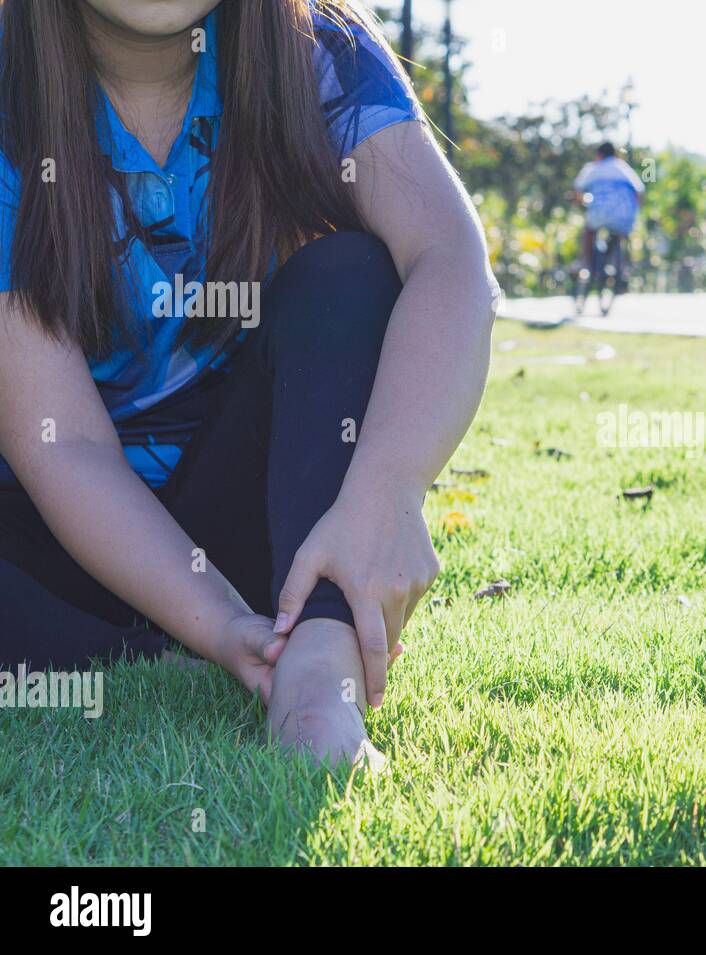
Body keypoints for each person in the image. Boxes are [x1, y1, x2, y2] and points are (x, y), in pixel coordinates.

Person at [0, 0, 498, 766]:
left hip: (242, 509)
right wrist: (221, 626)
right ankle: (147, 645)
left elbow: (450, 258)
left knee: (350, 274)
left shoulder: (318, 46)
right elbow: (62, 444)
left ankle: (316, 671)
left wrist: (388, 490)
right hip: (52, 533)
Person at [572, 141, 644, 290]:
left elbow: (578, 190)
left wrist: (578, 202)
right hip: (625, 214)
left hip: (599, 212)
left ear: (599, 155)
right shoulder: (623, 168)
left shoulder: (593, 168)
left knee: (589, 229)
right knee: (621, 235)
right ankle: (622, 269)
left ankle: (585, 262)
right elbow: (639, 190)